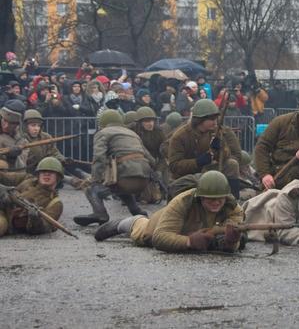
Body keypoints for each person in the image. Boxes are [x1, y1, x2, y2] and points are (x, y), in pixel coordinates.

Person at [94, 170, 244, 253]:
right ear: (200, 197)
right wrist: (189, 241)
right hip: (162, 225)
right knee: (145, 234)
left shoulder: (233, 208)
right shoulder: (182, 202)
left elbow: (229, 246)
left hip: (199, 234)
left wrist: (232, 241)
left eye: (220, 198)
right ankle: (125, 223)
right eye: (210, 199)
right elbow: (160, 238)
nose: (216, 202)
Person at [73, 109, 155, 226]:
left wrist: (95, 180)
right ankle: (137, 211)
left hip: (126, 177)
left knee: (92, 190)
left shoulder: (103, 133)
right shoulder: (132, 134)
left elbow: (99, 158)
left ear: (102, 123)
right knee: (121, 188)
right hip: (144, 181)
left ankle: (100, 213)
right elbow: (151, 159)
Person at [168, 99, 243, 197]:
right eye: (212, 119)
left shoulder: (215, 132)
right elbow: (174, 166)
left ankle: (232, 201)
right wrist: (198, 162)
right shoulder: (180, 136)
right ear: (200, 120)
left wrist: (220, 149)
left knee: (232, 164)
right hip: (185, 177)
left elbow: (227, 156)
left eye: (216, 118)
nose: (215, 122)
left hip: (206, 172)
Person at [0, 158, 64, 237]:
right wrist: (3, 190)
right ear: (38, 174)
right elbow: (5, 177)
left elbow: (45, 228)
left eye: (51, 172)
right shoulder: (27, 180)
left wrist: (34, 218)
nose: (46, 174)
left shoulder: (55, 203)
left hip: (8, 221)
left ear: (58, 177)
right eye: (43, 171)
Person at [132, 106, 166, 204]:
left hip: (154, 163)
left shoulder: (159, 132)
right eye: (146, 121)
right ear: (140, 122)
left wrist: (159, 170)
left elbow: (164, 155)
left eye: (152, 121)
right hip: (138, 162)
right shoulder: (133, 131)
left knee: (163, 184)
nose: (150, 124)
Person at [16, 109, 65, 175]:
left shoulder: (46, 137)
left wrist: (62, 159)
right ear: (25, 126)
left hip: (46, 170)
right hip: (28, 173)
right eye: (33, 125)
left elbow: (54, 152)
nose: (36, 128)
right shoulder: (20, 139)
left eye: (38, 125)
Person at [0, 100, 25, 169]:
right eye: (4, 120)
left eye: (11, 123)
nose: (6, 126)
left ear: (18, 124)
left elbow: (22, 167)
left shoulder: (22, 141)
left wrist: (12, 159)